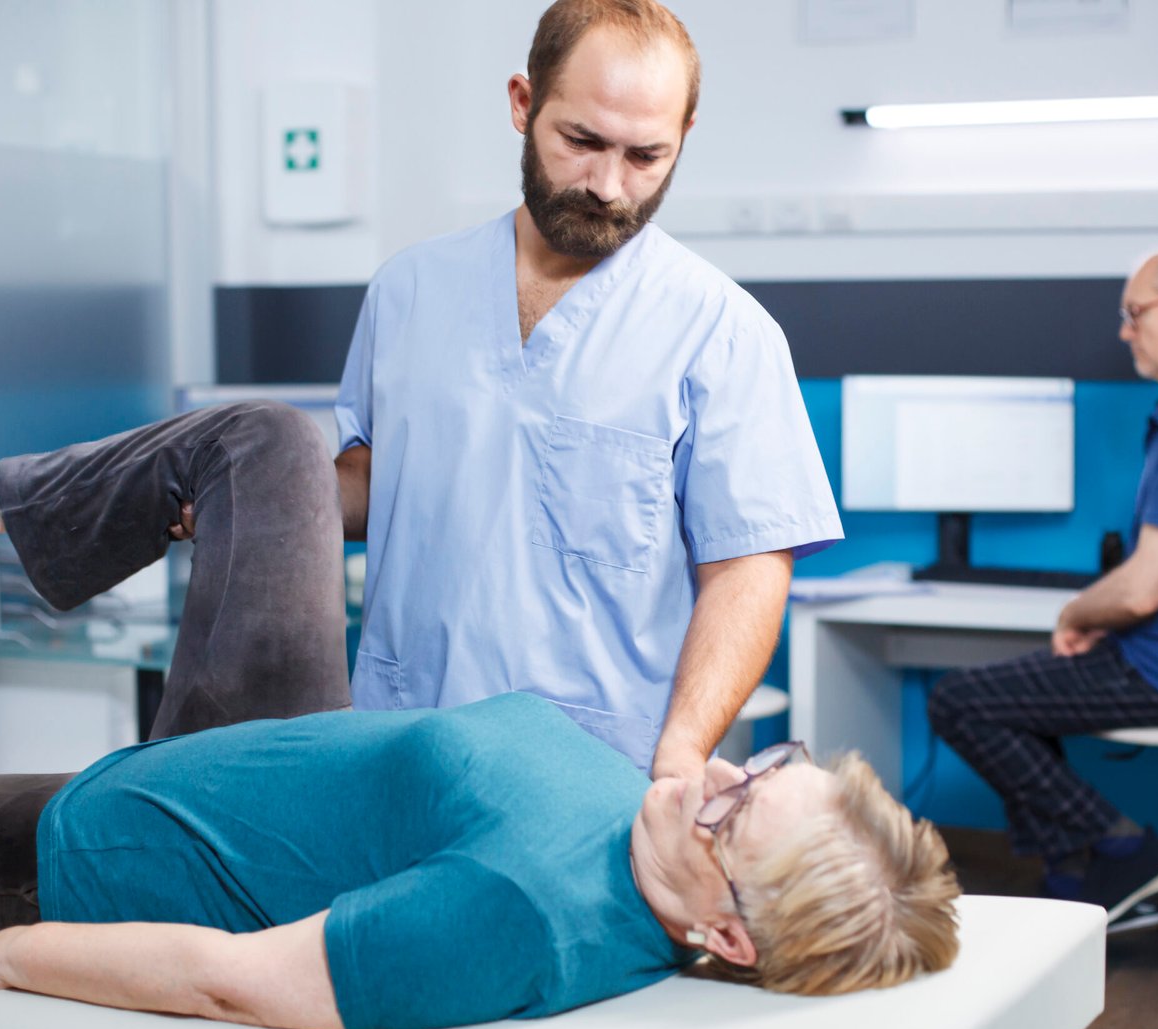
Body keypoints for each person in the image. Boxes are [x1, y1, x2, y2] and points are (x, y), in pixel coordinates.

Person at [0, 395, 959, 1029]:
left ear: (728, 937)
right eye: (764, 765)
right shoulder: (651, 819)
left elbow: (226, 976)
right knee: (269, 443)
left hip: (117, 851)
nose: (715, 775)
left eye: (732, 814)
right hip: (270, 749)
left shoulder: (513, 911)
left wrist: (13, 957)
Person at [328, 0, 842, 779]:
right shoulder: (408, 292)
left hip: (591, 771)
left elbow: (746, 569)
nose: (607, 184)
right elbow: (375, 481)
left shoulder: (723, 333)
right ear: (522, 103)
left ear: (684, 137)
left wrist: (682, 747)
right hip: (401, 743)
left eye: (646, 156)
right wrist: (250, 493)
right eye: (581, 142)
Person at [926, 250, 1158, 922]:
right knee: (1013, 698)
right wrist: (1107, 614)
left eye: (1134, 313)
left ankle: (1119, 846)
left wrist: (1078, 608)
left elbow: (1145, 589)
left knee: (958, 700)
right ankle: (1072, 871)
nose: (1125, 331)